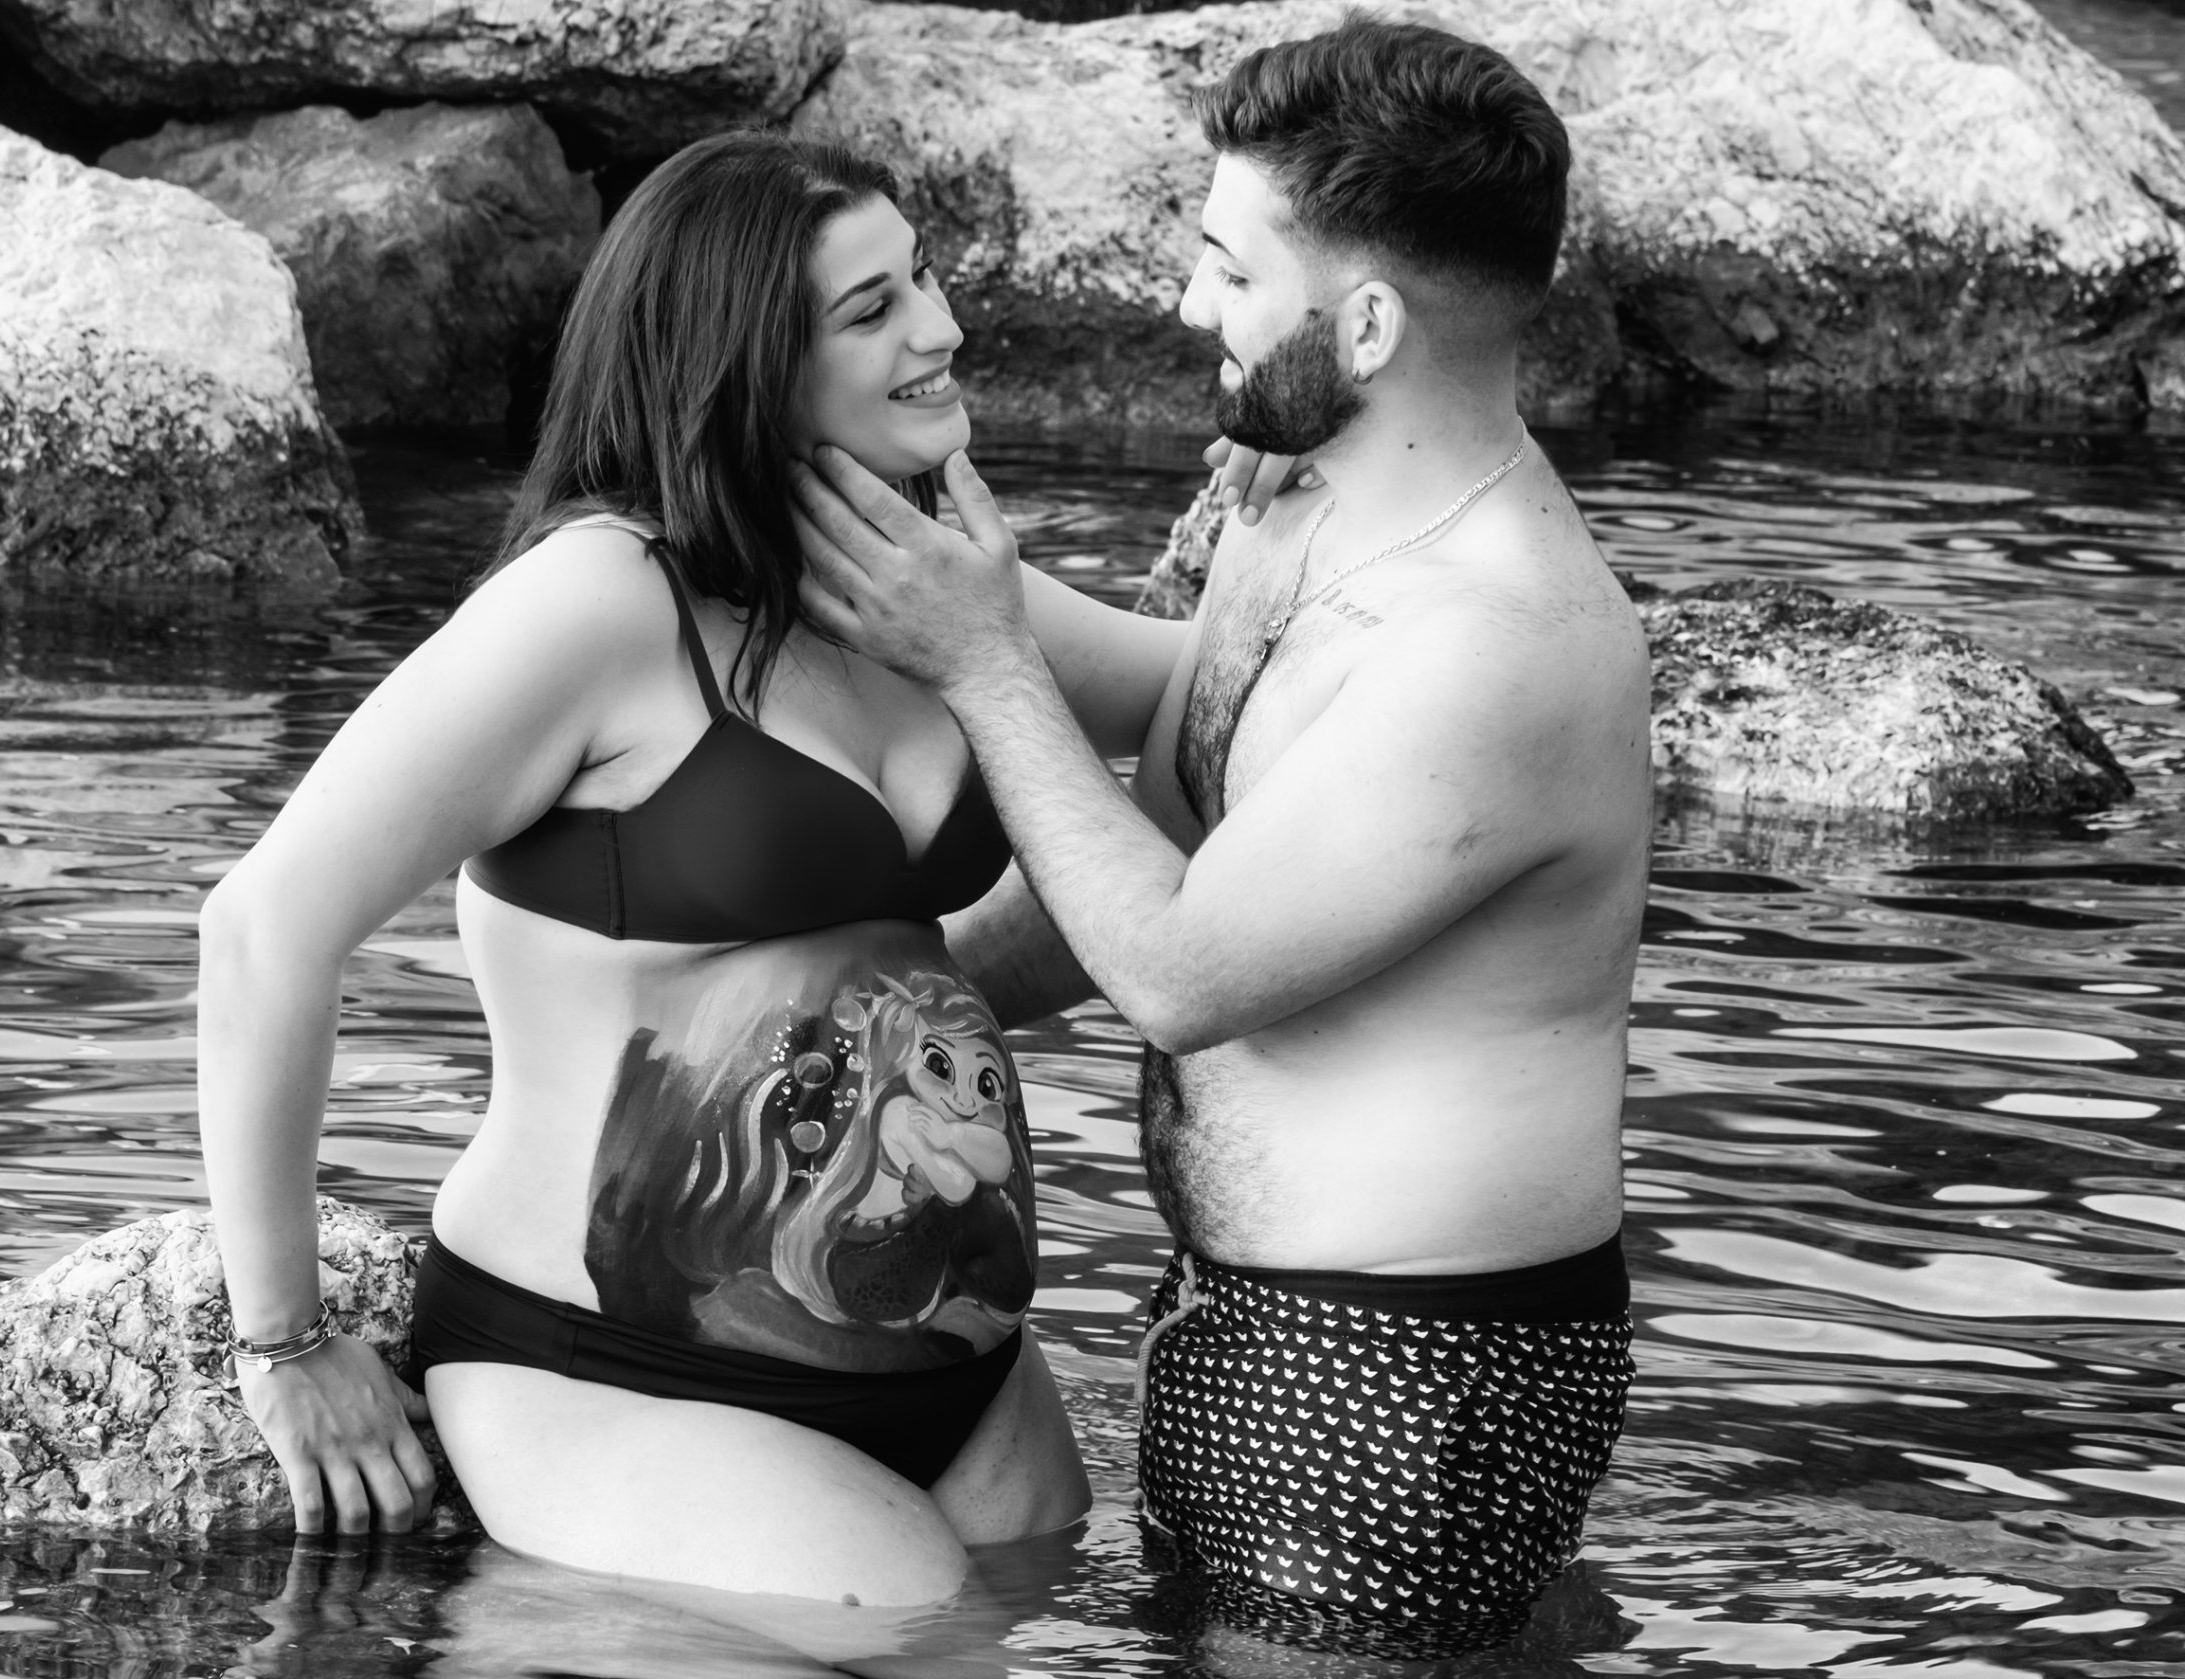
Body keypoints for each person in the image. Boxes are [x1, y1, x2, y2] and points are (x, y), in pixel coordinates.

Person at [192, 129, 1205, 1608]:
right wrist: (282, 1339)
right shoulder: (597, 603)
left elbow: (1211, 690)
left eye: (925, 277)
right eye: (873, 310)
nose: (941, 329)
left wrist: (1315, 500)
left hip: (969, 1389)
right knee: (914, 1630)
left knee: (1037, 1618)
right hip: (613, 1367)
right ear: (744, 365)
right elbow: (265, 925)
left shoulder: (924, 591)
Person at [789, 17, 1650, 1660]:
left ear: (1368, 324)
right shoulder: (1303, 508)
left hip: (1415, 1369)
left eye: (1231, 270)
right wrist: (828, 1032)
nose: (1192, 308)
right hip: (1242, 1315)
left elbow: (1179, 970)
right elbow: (1157, 837)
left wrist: (982, 660)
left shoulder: (1502, 645)